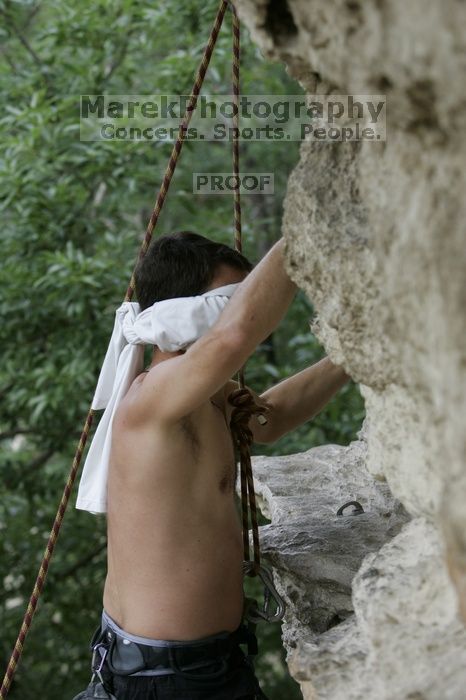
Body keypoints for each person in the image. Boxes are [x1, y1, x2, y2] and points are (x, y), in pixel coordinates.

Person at [76, 231, 350, 700]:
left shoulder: (207, 397)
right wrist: (306, 227)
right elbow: (236, 333)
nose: (238, 311)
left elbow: (269, 420)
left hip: (207, 666)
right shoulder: (151, 399)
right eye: (228, 300)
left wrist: (348, 356)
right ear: (181, 312)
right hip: (164, 678)